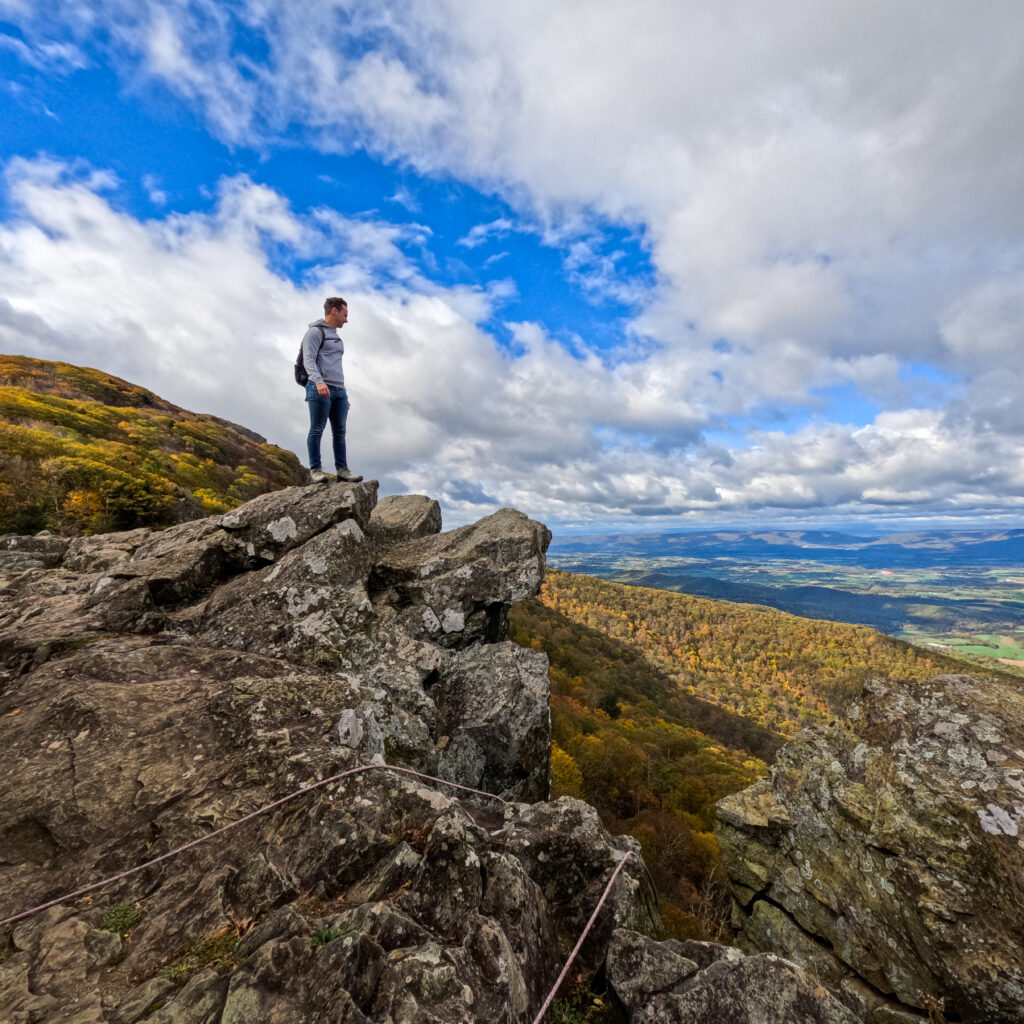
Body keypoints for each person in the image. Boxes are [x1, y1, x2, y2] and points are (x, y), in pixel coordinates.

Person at [301, 297, 363, 484]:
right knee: (317, 429)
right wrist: (319, 382)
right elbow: (308, 359)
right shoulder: (314, 332)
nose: (346, 320)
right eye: (345, 315)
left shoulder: (336, 337)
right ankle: (316, 470)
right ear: (334, 310)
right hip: (320, 387)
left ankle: (342, 471)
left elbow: (335, 365)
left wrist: (343, 393)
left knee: (340, 431)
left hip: (339, 391)